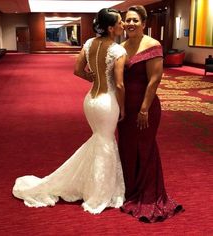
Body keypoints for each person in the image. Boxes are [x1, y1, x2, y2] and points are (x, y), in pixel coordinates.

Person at [12, 8, 127, 215]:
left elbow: (77, 70)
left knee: (99, 140)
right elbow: (119, 85)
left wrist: (93, 79)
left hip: (90, 100)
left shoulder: (89, 44)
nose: (123, 25)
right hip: (107, 102)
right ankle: (98, 193)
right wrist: (124, 107)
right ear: (110, 28)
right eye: (120, 22)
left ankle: (90, 183)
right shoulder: (118, 50)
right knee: (106, 142)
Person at [117, 5, 183, 222]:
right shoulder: (122, 46)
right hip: (125, 109)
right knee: (126, 148)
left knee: (144, 148)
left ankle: (146, 195)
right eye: (128, 20)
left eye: (135, 20)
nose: (131, 24)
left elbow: (155, 80)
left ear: (144, 23)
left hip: (146, 107)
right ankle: (130, 191)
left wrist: (144, 108)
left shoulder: (152, 45)